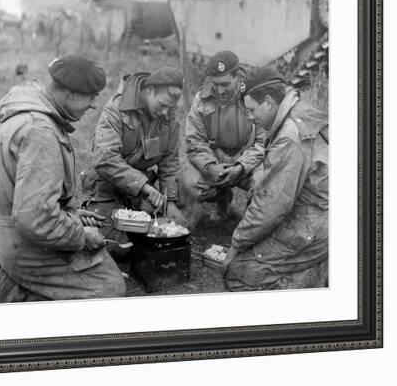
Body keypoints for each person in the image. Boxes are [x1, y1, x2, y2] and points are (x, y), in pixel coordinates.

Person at [0, 54, 126, 302]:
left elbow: (24, 197)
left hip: (10, 235)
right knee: (111, 288)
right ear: (71, 94)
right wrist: (80, 235)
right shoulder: (40, 132)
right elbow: (35, 219)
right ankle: (22, 298)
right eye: (90, 97)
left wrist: (71, 215)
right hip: (24, 247)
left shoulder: (28, 114)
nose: (93, 105)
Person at [222, 67, 329, 291]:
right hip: (317, 214)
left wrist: (236, 244)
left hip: (314, 225)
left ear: (269, 101)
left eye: (252, 109)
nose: (251, 118)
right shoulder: (297, 110)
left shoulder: (290, 136)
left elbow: (271, 206)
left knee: (238, 272)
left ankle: (304, 284)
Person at [81, 66, 187, 252]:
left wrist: (169, 201)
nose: (165, 113)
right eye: (162, 105)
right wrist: (144, 186)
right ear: (148, 91)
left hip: (138, 190)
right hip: (105, 184)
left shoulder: (169, 118)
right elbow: (106, 159)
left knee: (155, 232)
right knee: (118, 248)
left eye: (170, 108)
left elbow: (169, 163)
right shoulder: (115, 109)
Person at [181, 51, 265, 227]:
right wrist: (210, 167)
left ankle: (251, 225)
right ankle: (222, 198)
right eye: (216, 84)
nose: (220, 90)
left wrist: (241, 167)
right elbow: (195, 141)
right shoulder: (201, 99)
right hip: (215, 158)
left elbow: (263, 142)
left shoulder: (254, 96)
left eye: (225, 84)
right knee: (191, 184)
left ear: (238, 77)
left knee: (264, 185)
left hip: (248, 160)